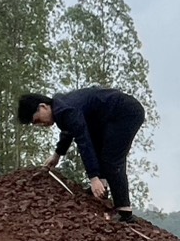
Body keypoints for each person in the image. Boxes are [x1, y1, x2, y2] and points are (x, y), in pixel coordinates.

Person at [17, 88, 146, 223]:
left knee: (112, 159)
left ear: (43, 106)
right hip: (108, 117)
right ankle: (102, 187)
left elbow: (83, 141)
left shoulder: (65, 110)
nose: (40, 125)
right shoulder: (61, 107)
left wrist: (93, 177)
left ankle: (125, 212)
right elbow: (69, 130)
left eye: (37, 120)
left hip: (126, 112)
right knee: (98, 144)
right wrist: (57, 154)